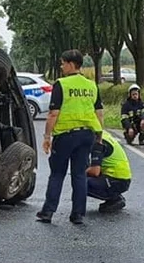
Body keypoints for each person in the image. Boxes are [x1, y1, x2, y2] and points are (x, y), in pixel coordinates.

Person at [38, 49, 104, 225]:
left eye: (62, 63)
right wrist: (100, 134)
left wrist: (46, 137)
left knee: (57, 174)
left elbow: (53, 113)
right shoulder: (91, 85)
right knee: (79, 175)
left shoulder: (61, 84)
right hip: (87, 135)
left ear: (70, 64)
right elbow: (99, 113)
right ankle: (78, 215)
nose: (61, 66)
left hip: (66, 135)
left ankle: (48, 212)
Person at [87, 130, 132, 212]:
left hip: (117, 180)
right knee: (84, 174)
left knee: (81, 182)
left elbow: (95, 171)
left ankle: (114, 198)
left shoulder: (98, 141)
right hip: (120, 178)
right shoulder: (102, 134)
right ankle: (115, 196)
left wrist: (77, 172)